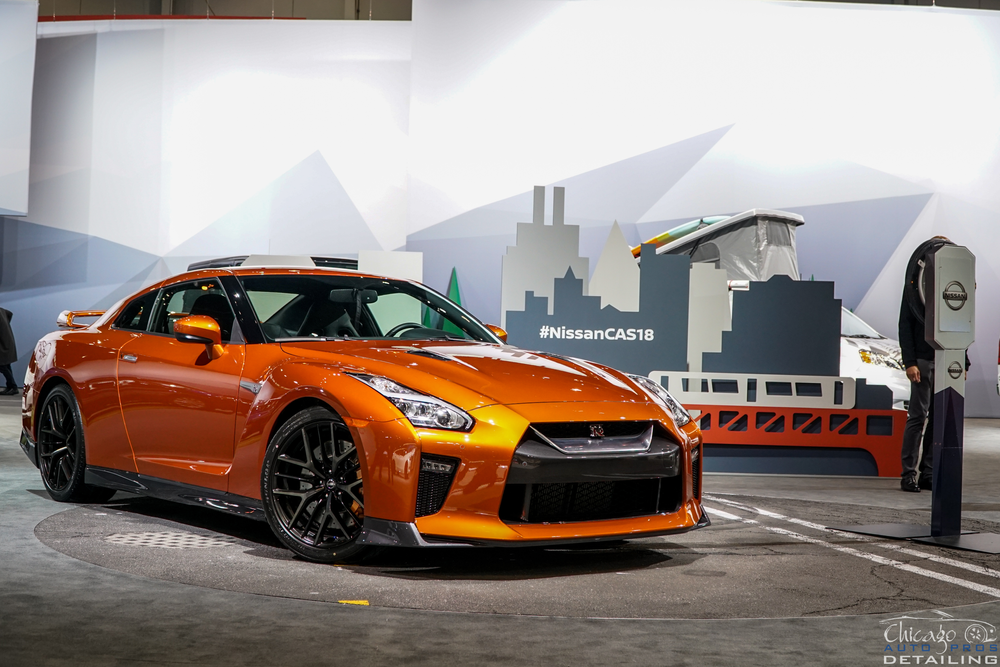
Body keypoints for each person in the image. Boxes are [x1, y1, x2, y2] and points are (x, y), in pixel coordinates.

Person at [897, 237, 969, 493]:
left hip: (946, 360)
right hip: (923, 361)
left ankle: (927, 473)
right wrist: (910, 362)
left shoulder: (952, 286)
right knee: (917, 418)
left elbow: (961, 322)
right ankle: (908, 475)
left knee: (938, 419)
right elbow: (905, 325)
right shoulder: (915, 286)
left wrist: (964, 362)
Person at [0, 307, 17, 395]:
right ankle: (10, 386)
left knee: (2, 366)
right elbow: (9, 313)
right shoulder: (2, 311)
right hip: (6, 341)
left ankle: (13, 387)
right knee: (6, 365)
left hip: (3, 344)